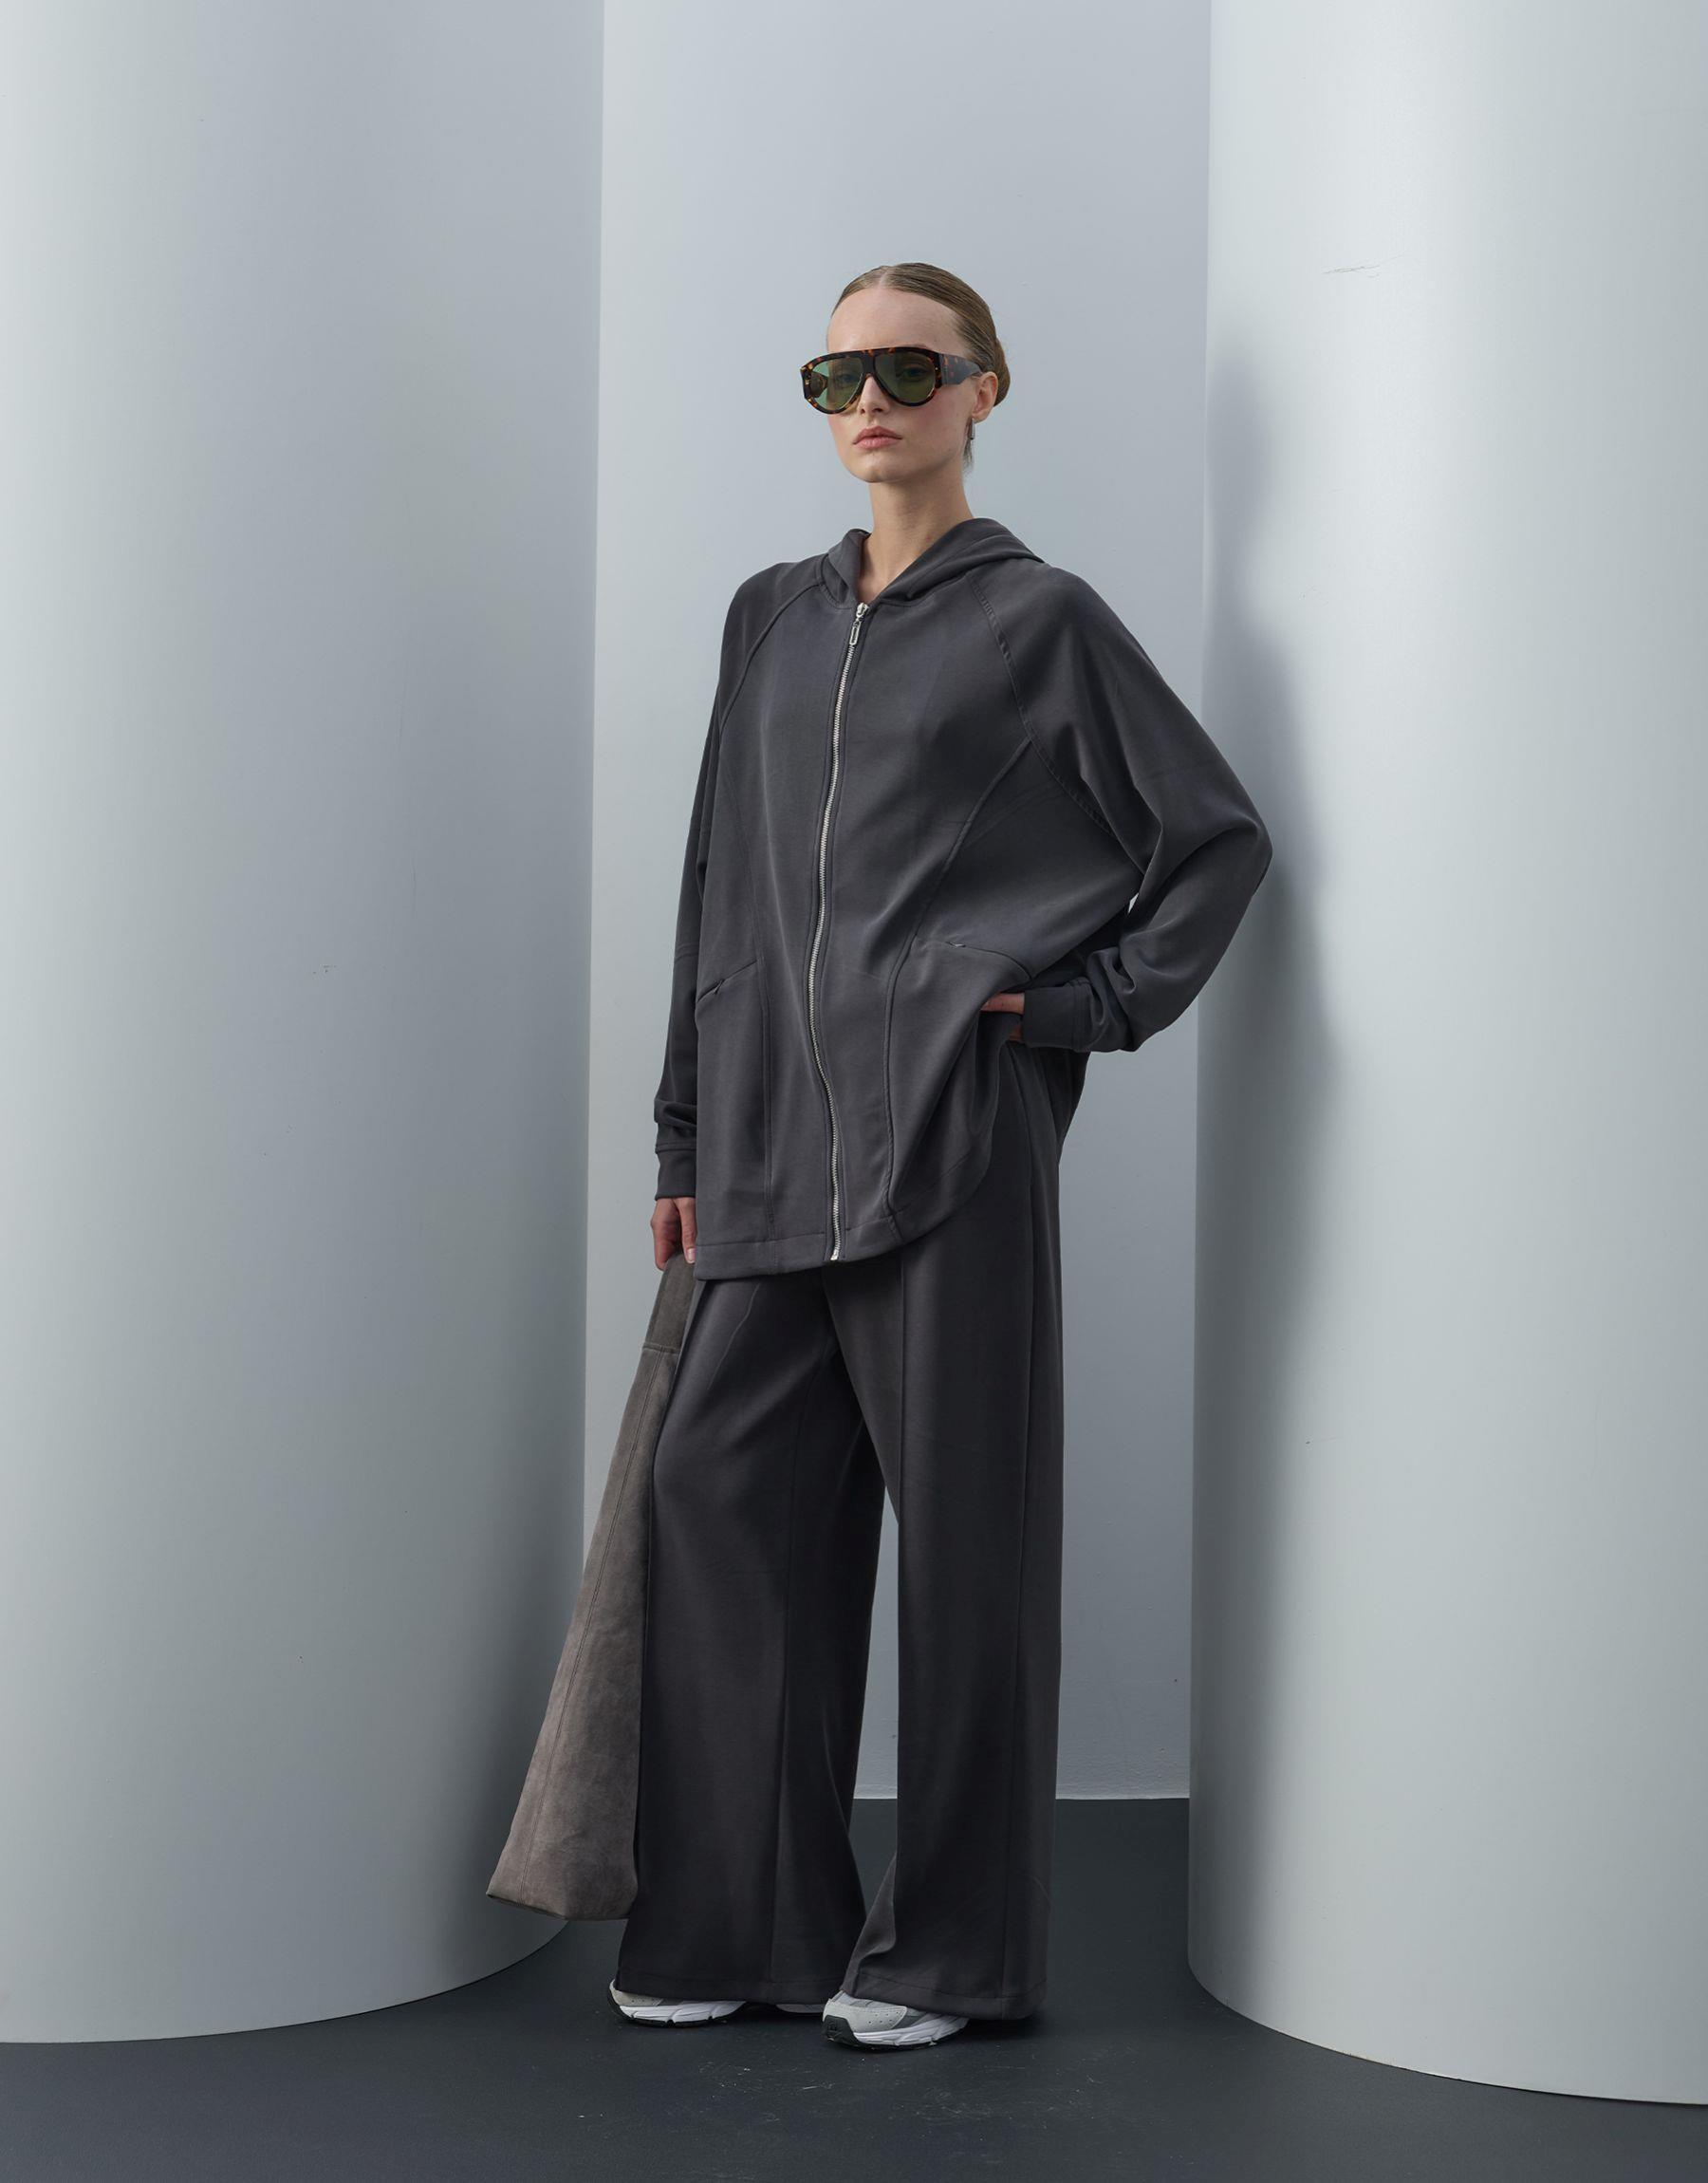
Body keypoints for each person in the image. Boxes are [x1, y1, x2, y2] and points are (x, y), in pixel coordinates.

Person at [608, 262, 1272, 2052]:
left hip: (952, 1145)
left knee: (970, 1555)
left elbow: (1211, 841)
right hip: (767, 1150)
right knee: (718, 1500)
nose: (872, 402)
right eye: (840, 374)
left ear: (985, 390)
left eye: (912, 369)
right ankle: (751, 1923)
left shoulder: (1039, 619)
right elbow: (715, 882)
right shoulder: (768, 616)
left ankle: (952, 1959)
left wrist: (1076, 1009)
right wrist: (682, 1125)